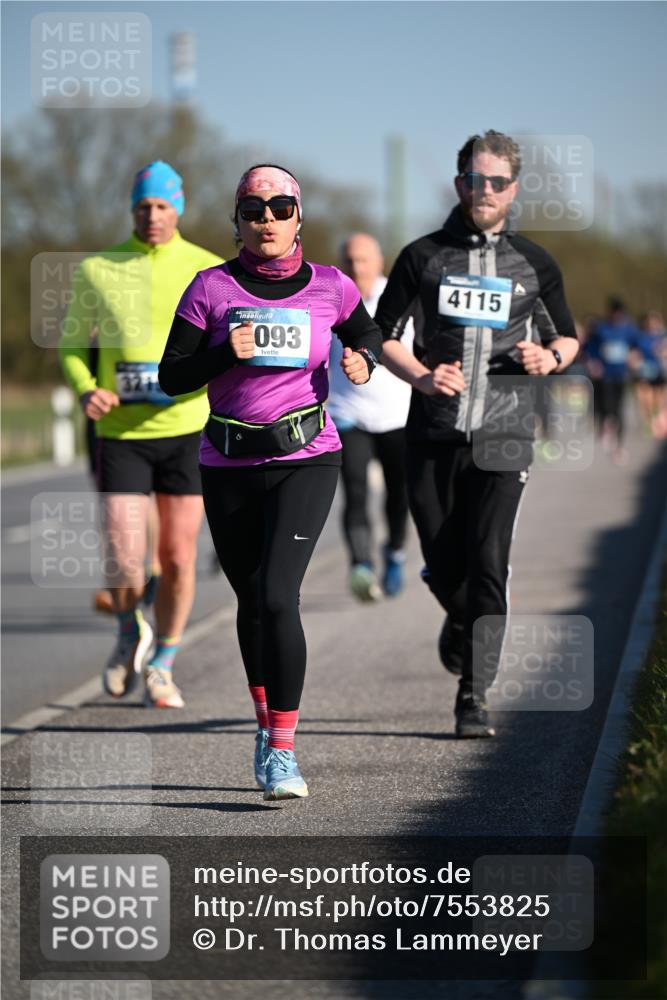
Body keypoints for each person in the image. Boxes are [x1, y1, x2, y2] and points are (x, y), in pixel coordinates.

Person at [158, 164, 382, 800]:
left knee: (280, 595)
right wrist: (228, 351)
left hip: (308, 454)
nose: (267, 220)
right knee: (253, 600)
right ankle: (265, 729)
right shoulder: (209, 288)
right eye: (254, 209)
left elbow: (364, 332)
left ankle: (282, 749)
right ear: (237, 221)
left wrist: (359, 357)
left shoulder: (332, 287)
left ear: (299, 217)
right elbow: (173, 377)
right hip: (226, 462)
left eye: (280, 207)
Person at [375, 130, 579, 738]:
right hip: (433, 431)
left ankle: (474, 696)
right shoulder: (422, 256)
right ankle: (463, 621)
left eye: (495, 182)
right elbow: (381, 335)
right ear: (458, 181)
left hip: (505, 430)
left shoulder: (536, 263)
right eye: (472, 179)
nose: (482, 190)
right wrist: (420, 374)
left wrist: (552, 359)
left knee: (488, 561)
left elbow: (566, 335)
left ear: (513, 188)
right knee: (443, 564)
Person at [59, 161, 222, 708]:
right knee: (126, 560)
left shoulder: (208, 270)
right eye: (142, 207)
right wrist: (86, 389)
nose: (151, 216)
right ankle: (130, 632)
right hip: (120, 431)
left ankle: (165, 662)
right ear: (131, 210)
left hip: (186, 429)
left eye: (161, 206)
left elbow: (225, 348)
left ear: (179, 208)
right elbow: (72, 347)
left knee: (177, 557)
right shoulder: (98, 269)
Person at [327, 233, 412, 601]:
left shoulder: (400, 297)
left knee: (399, 496)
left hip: (398, 416)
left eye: (363, 260)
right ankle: (361, 566)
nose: (356, 267)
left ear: (379, 263)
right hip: (349, 414)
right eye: (349, 260)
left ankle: (394, 552)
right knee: (356, 493)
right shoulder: (330, 298)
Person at [583, 298, 639, 464]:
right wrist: (593, 362)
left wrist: (634, 356)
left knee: (619, 409)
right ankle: (605, 426)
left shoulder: (629, 328)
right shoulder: (601, 328)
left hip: (621, 374)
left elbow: (636, 345)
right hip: (605, 374)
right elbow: (590, 347)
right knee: (606, 405)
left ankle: (619, 446)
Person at [632, 310, 667, 435]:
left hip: (659, 371)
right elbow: (634, 352)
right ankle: (647, 423)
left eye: (655, 321)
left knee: (657, 401)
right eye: (650, 321)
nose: (652, 324)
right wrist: (635, 361)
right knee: (645, 399)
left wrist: (662, 351)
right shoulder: (640, 337)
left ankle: (656, 422)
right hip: (644, 371)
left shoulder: (663, 336)